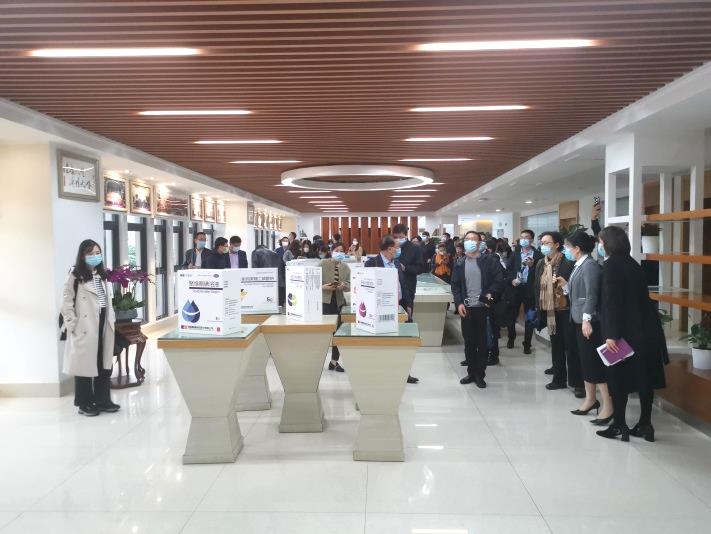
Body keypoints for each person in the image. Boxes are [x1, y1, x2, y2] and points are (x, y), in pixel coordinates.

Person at [597, 226, 668, 442]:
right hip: (646, 329)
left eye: (600, 242)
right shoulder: (633, 264)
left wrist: (611, 334)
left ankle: (619, 425)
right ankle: (645, 424)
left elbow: (612, 302)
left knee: (618, 378)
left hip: (623, 332)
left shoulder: (611, 266)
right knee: (644, 377)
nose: (599, 245)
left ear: (607, 244)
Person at [558, 230, 613, 424]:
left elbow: (591, 295)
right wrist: (566, 286)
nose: (566, 250)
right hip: (578, 319)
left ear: (577, 248)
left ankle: (608, 405)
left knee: (594, 363)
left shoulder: (589, 266)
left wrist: (587, 319)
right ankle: (590, 399)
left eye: (567, 247)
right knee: (586, 362)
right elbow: (579, 293)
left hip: (588, 322)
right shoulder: (579, 264)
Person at [61, 240, 120, 416]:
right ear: (82, 255)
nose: (95, 256)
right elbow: (66, 301)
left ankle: (103, 400)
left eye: (97, 252)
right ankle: (84, 403)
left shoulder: (102, 274)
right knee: (84, 366)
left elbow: (106, 300)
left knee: (104, 364)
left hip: (103, 323)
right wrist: (72, 324)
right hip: (85, 326)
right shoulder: (75, 274)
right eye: (90, 253)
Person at [451, 231, 504, 388]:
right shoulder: (460, 263)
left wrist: (490, 293)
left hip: (484, 308)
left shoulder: (489, 261)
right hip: (466, 309)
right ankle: (471, 373)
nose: (470, 242)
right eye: (467, 239)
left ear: (480, 243)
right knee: (469, 342)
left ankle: (480, 375)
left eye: (473, 239)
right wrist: (459, 303)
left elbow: (499, 280)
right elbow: (455, 285)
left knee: (482, 343)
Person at [365, 235, 419, 384]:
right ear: (389, 249)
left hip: (400, 306)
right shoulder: (371, 263)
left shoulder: (396, 263)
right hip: (381, 309)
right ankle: (383, 372)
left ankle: (404, 373)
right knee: (384, 342)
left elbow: (403, 285)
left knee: (402, 341)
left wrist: (409, 305)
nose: (399, 250)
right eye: (397, 247)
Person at [534, 231, 576, 391]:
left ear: (557, 245)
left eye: (547, 243)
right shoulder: (541, 263)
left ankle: (577, 382)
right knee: (556, 345)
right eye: (542, 243)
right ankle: (559, 378)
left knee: (571, 347)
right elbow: (537, 287)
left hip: (566, 310)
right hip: (550, 311)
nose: (543, 246)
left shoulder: (568, 262)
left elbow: (573, 287)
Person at [506, 229, 543, 354]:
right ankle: (511, 337)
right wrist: (512, 280)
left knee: (530, 317)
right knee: (512, 315)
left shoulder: (538, 255)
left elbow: (541, 274)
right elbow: (508, 270)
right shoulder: (515, 254)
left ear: (531, 239)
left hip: (530, 290)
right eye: (522, 237)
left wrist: (532, 266)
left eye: (526, 237)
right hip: (516, 288)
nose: (523, 239)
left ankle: (527, 343)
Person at [320, 242, 351, 372]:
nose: (339, 253)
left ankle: (334, 361)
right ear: (332, 251)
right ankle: (317, 360)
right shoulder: (323, 263)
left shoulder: (345, 267)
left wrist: (344, 286)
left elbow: (349, 285)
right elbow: (314, 281)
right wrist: (324, 287)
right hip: (325, 301)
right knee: (325, 332)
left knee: (338, 332)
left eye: (342, 251)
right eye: (337, 250)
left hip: (339, 301)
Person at [391, 224, 425, 320]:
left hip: (408, 287)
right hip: (390, 288)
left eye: (400, 237)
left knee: (406, 317)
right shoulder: (390, 247)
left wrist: (405, 268)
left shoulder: (415, 248)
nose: (398, 239)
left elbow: (420, 268)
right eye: (395, 237)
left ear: (406, 235)